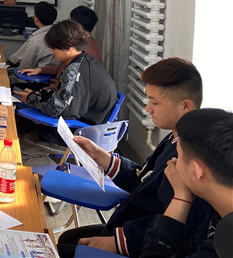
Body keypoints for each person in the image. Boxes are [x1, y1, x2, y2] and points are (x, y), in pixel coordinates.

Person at [56, 58, 203, 258]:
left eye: (155, 102)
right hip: (131, 225)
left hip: (145, 242)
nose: (147, 108)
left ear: (185, 106)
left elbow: (172, 225)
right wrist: (98, 154)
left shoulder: (187, 158)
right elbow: (142, 178)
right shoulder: (174, 137)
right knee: (68, 239)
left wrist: (118, 243)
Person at [140, 108, 233, 258]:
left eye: (178, 156)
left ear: (195, 171)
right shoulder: (218, 205)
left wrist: (180, 197)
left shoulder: (227, 240)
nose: (173, 161)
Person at [13, 20, 116, 126]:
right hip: (85, 116)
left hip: (83, 125)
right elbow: (64, 97)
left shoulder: (75, 70)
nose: (52, 51)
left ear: (68, 49)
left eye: (54, 47)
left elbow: (59, 109)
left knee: (19, 119)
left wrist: (31, 99)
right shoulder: (84, 61)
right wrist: (41, 95)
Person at [17, 5, 102, 88]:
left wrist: (41, 93)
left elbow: (69, 88)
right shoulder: (88, 42)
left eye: (69, 21)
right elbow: (62, 69)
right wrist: (41, 70)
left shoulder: (82, 53)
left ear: (75, 25)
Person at [6, 2, 58, 69]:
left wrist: (8, 62)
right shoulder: (62, 34)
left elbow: (25, 66)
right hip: (58, 73)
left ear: (36, 20)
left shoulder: (36, 39)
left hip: (38, 74)